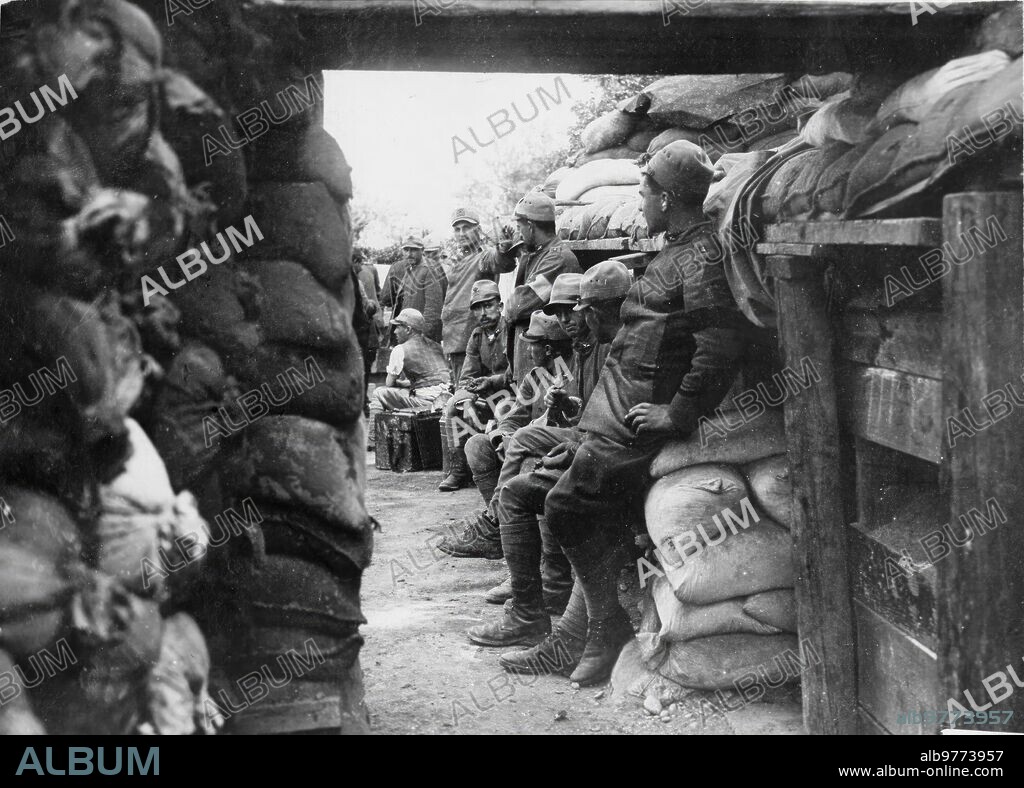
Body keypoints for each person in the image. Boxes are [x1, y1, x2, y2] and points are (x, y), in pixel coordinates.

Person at [507, 141, 755, 686]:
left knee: (568, 505)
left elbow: (720, 343)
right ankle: (576, 632)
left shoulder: (700, 256)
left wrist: (678, 414)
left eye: (644, 192)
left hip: (636, 419)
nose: (640, 202)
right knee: (552, 494)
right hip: (610, 413)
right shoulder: (674, 249)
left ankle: (603, 629)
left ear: (666, 199)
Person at [469, 264, 630, 651]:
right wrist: (566, 406)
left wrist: (572, 442)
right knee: (517, 445)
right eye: (557, 313)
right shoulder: (585, 350)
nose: (565, 320)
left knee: (530, 467)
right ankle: (534, 591)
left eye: (570, 311)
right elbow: (591, 411)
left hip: (608, 454)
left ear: (591, 309)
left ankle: (532, 600)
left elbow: (618, 421)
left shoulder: (613, 345)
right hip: (589, 440)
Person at [438, 280, 510, 492]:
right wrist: (466, 400)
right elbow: (467, 377)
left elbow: (517, 374)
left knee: (504, 409)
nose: (483, 313)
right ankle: (459, 470)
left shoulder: (512, 331)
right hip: (486, 396)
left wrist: (491, 382)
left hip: (513, 394)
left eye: (488, 305)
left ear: (500, 306)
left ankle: (504, 472)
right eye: (477, 308)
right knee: (453, 405)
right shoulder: (477, 336)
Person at [501, 193, 581, 384]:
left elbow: (516, 307)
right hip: (533, 363)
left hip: (548, 365)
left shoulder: (557, 258)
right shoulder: (538, 254)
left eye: (520, 227)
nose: (518, 233)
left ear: (530, 226)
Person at [440, 207, 501, 383]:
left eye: (466, 227)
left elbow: (499, 260)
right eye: (457, 229)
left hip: (470, 337)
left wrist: (503, 249)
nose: (461, 233)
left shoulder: (484, 256)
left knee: (468, 391)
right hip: (454, 340)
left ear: (478, 230)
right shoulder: (459, 258)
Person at [367, 308, 451, 416]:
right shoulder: (437, 346)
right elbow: (431, 379)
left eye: (398, 327)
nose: (395, 331)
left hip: (425, 402)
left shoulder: (400, 349)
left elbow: (389, 383)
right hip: (446, 398)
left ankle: (373, 432)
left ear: (408, 329)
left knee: (378, 393)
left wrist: (401, 383)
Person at [379, 236, 447, 345]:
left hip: (420, 336)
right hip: (410, 334)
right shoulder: (411, 269)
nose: (409, 254)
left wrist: (423, 335)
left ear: (422, 251)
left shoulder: (428, 270)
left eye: (414, 250)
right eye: (406, 250)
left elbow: (433, 309)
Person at [352, 249, 383, 417]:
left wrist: (371, 306)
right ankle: (361, 403)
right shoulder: (356, 279)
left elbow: (369, 304)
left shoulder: (357, 280)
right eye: (358, 263)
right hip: (360, 333)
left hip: (363, 334)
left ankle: (361, 403)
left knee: (363, 368)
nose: (360, 267)